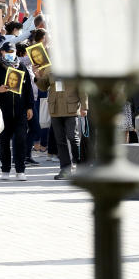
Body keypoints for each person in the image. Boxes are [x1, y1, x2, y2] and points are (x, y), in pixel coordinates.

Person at [34, 51, 88, 181]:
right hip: (55, 109)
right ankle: (65, 168)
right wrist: (37, 76)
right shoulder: (51, 69)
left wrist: (84, 107)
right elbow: (43, 86)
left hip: (71, 109)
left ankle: (79, 166)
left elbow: (82, 89)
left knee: (72, 136)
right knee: (60, 140)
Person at [0, 41, 34, 181]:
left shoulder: (21, 67)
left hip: (20, 111)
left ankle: (20, 170)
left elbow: (28, 90)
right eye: (7, 52)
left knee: (21, 140)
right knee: (3, 141)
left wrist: (29, 107)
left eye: (12, 52)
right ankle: (5, 169)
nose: (10, 54)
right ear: (2, 52)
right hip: (2, 112)